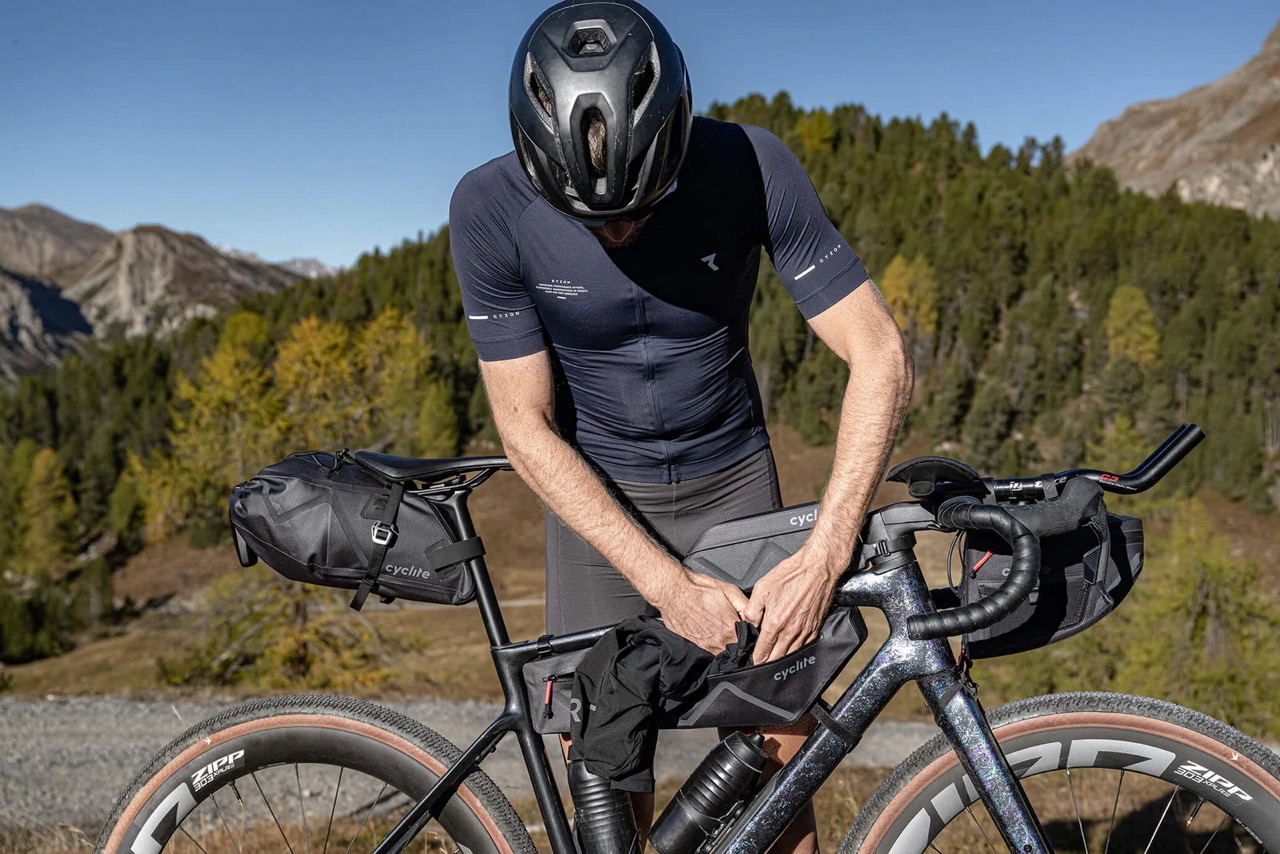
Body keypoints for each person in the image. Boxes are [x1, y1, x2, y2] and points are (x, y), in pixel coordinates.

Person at [449, 1, 912, 849]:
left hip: (732, 481)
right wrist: (667, 588)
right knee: (606, 776)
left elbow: (878, 352)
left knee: (778, 770)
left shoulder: (749, 165)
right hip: (599, 505)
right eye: (591, 220)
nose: (619, 233)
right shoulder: (489, 207)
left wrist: (825, 554)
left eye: (641, 207)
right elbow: (525, 429)